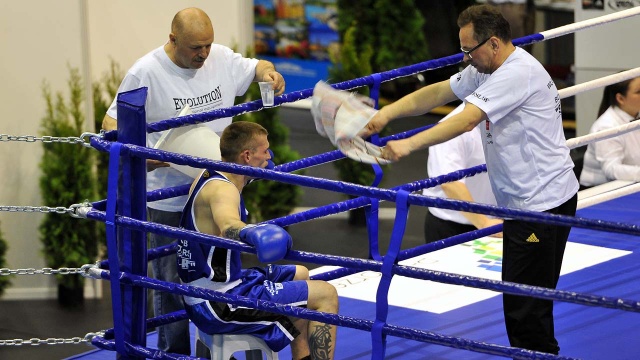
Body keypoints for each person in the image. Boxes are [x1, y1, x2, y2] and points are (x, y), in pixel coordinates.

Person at [362, 4, 579, 354]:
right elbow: (438, 93)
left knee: (525, 308)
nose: (464, 59)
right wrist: (386, 113)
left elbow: (465, 120)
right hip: (535, 199)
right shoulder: (487, 67)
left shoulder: (515, 73)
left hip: (541, 204)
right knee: (531, 300)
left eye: (468, 50)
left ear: (493, 43)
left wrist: (408, 144)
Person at [102, 7, 286, 355]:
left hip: (217, 191)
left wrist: (270, 73)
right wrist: (143, 154)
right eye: (195, 48)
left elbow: (256, 66)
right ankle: (174, 354)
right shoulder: (146, 71)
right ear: (172, 39)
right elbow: (110, 123)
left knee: (223, 274)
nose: (203, 54)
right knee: (171, 283)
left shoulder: (220, 58)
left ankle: (217, 340)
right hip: (168, 198)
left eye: (208, 45)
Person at [177, 121, 338, 360]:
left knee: (301, 273)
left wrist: (252, 173)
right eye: (265, 151)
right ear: (247, 155)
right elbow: (228, 224)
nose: (270, 155)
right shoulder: (223, 191)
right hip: (219, 302)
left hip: (211, 288)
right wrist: (251, 233)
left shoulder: (211, 172)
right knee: (325, 295)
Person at [423, 103, 502, 243]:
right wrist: (483, 223)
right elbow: (450, 184)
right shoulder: (449, 127)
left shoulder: (508, 117)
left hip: (496, 222)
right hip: (452, 226)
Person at [579, 76, 640, 188]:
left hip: (628, 185)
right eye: (639, 92)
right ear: (620, 99)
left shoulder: (635, 114)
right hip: (597, 191)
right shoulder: (606, 126)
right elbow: (611, 169)